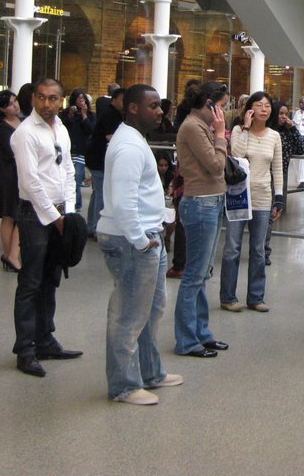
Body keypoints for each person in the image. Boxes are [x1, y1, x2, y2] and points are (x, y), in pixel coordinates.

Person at [97, 84, 183, 405]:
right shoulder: (130, 147)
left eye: (160, 106)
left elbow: (141, 194)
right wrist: (141, 240)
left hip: (148, 236)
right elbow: (123, 201)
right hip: (132, 241)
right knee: (128, 315)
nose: (161, 111)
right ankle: (124, 386)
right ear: (133, 108)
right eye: (154, 106)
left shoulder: (135, 140)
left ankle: (151, 372)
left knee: (152, 307)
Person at [10, 78, 81, 377]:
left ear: (61, 100)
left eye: (53, 98)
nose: (47, 103)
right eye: (41, 98)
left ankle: (45, 339)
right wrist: (56, 218)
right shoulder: (25, 133)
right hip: (35, 216)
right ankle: (25, 350)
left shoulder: (61, 128)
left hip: (61, 214)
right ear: (33, 99)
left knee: (51, 279)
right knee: (31, 282)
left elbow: (68, 170)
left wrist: (71, 213)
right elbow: (30, 182)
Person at [173, 81, 230, 359]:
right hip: (201, 204)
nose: (223, 112)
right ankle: (186, 340)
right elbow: (216, 165)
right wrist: (221, 136)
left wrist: (217, 136)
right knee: (194, 275)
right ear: (208, 103)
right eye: (221, 106)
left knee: (202, 274)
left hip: (211, 201)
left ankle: (202, 333)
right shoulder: (193, 127)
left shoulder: (200, 126)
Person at [220, 91, 283, 312]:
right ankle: (228, 297)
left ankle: (256, 297)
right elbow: (237, 154)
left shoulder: (274, 136)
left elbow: (277, 168)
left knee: (258, 249)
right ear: (250, 109)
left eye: (267, 106)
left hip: (263, 197)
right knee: (232, 248)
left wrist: (279, 197)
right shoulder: (238, 130)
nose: (264, 109)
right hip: (238, 195)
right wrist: (246, 127)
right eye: (259, 105)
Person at [268, 101, 304, 265]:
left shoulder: (287, 132)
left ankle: (264, 248)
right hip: (264, 175)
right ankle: (262, 249)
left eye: (286, 113)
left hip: (280, 175)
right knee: (264, 213)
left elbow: (301, 148)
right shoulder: (267, 131)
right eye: (280, 113)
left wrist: (293, 128)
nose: (283, 116)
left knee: (274, 211)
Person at [84, 87, 124, 236]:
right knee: (101, 194)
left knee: (97, 193)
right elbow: (110, 137)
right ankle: (96, 227)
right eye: (122, 100)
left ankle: (92, 225)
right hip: (99, 159)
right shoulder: (111, 115)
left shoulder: (114, 114)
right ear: (114, 99)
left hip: (96, 158)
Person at [0, 90, 22, 272]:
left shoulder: (23, 121)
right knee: (9, 215)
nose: (15, 105)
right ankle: (9, 254)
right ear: (2, 109)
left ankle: (12, 254)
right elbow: (11, 152)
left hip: (21, 173)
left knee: (18, 215)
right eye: (11, 104)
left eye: (16, 101)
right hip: (9, 174)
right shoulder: (2, 127)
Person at [61, 88, 95, 213]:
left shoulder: (90, 115)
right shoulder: (66, 113)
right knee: (68, 179)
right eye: (78, 98)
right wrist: (70, 114)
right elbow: (64, 127)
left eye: (83, 98)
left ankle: (76, 204)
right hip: (68, 150)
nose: (80, 101)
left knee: (77, 176)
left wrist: (84, 115)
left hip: (81, 151)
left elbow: (90, 130)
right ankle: (74, 203)